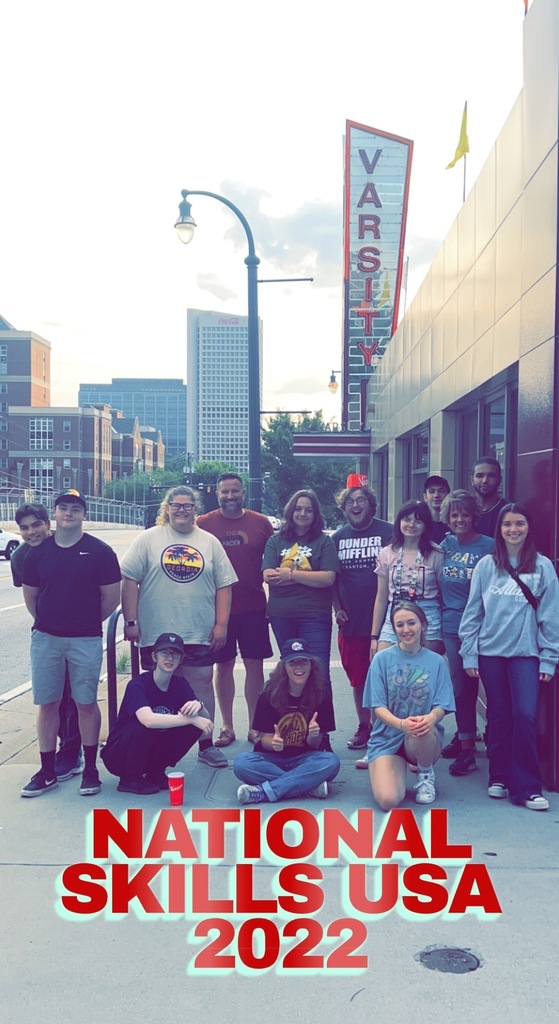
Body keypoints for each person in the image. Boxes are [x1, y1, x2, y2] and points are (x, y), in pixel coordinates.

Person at [120, 485, 237, 769]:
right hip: (157, 632)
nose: (182, 510)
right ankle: (152, 743)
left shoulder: (209, 542)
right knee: (158, 689)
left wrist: (221, 624)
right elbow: (129, 581)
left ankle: (205, 744)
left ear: (196, 509)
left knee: (201, 685)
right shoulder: (148, 539)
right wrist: (131, 621)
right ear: (167, 508)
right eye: (176, 505)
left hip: (198, 630)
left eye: (188, 506)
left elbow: (225, 586)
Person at [21, 489, 121, 798]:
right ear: (54, 513)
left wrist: (83, 622)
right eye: (63, 508)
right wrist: (53, 624)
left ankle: (90, 769)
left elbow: (110, 599)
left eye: (75, 509)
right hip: (47, 639)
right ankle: (47, 770)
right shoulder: (36, 552)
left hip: (85, 640)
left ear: (84, 515)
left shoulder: (101, 552)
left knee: (85, 703)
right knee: (47, 703)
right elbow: (31, 598)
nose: (68, 513)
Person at [459, 503, 559, 811]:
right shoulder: (487, 566)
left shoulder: (542, 567)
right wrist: (470, 655)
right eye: (507, 524)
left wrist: (548, 657)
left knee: (525, 716)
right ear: (499, 529)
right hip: (490, 654)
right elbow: (473, 612)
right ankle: (498, 777)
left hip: (526, 654)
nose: (513, 529)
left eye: (519, 524)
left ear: (528, 527)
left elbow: (550, 616)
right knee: (499, 717)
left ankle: (527, 787)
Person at [197, 472, 273, 747]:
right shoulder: (203, 524)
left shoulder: (261, 523)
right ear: (216, 494)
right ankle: (227, 726)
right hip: (218, 612)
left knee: (255, 666)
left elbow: (273, 562)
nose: (230, 496)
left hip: (253, 607)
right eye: (225, 492)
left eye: (235, 491)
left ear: (243, 493)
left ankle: (255, 726)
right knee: (223, 666)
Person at [13, 502, 83, 781]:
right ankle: (60, 752)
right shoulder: (21, 557)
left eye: (36, 525)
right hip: (47, 633)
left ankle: (71, 752)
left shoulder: (65, 546)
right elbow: (31, 598)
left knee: (75, 697)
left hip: (78, 632)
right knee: (52, 697)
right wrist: (47, 624)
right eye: (24, 528)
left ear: (48, 523)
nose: (31, 532)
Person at [262, 488, 339, 736]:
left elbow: (328, 578)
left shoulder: (323, 541)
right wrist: (306, 578)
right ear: (290, 511)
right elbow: (269, 576)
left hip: (314, 616)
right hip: (281, 615)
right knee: (290, 673)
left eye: (308, 509)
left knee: (319, 674)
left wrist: (291, 575)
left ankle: (321, 732)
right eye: (298, 508)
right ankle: (291, 732)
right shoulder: (276, 541)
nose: (303, 513)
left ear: (315, 513)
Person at [363, 602, 455, 809]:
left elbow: (442, 705)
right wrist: (401, 724)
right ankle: (393, 766)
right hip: (388, 735)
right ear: (394, 629)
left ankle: (425, 773)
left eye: (411, 623)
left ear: (423, 624)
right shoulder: (381, 660)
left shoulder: (437, 662)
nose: (406, 630)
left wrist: (430, 719)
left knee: (420, 724)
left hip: (422, 737)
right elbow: (377, 707)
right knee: (388, 800)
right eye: (400, 625)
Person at [100, 633, 213, 794]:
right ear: (154, 656)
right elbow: (148, 720)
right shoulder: (138, 684)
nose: (170, 658)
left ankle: (155, 771)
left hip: (150, 749)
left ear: (181, 660)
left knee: (194, 724)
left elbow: (205, 721)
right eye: (164, 653)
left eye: (175, 654)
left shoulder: (180, 684)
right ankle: (130, 779)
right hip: (119, 756)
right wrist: (189, 720)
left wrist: (199, 705)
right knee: (144, 726)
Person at [233, 638, 341, 804]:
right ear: (284, 666)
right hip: (271, 759)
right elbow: (264, 738)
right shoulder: (269, 694)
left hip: (306, 757)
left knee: (331, 762)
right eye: (293, 663)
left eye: (303, 662)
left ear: (311, 665)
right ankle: (308, 786)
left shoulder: (322, 694)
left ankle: (264, 792)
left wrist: (313, 734)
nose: (299, 667)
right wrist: (273, 743)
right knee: (242, 763)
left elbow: (315, 744)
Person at [332, 484, 392, 751]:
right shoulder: (337, 538)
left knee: (389, 678)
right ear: (344, 509)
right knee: (359, 679)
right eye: (350, 502)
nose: (355, 506)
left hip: (388, 622)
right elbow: (333, 577)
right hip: (352, 622)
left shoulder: (389, 532)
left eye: (361, 501)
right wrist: (337, 608)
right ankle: (364, 726)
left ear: (372, 505)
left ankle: (390, 728)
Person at [439, 490, 494, 773]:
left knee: (493, 688)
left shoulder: (489, 546)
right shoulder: (444, 546)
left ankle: (495, 742)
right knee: (461, 690)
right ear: (447, 518)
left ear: (474, 516)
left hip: (485, 628)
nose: (459, 519)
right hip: (451, 626)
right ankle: (466, 746)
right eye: (454, 515)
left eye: (465, 514)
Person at [369, 500, 444, 659]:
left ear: (425, 526)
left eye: (418, 521)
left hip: (427, 613)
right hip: (395, 611)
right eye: (407, 519)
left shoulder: (436, 554)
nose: (412, 525)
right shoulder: (387, 553)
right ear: (399, 522)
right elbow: (381, 598)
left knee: (424, 665)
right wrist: (374, 636)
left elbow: (444, 595)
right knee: (382, 659)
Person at [471, 456, 509, 538]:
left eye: (491, 475)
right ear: (472, 480)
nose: (485, 480)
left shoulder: (508, 512)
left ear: (500, 480)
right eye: (479, 476)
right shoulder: (463, 509)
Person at [422, 475, 450, 543]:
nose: (436, 495)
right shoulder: (420, 525)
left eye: (441, 491)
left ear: (448, 495)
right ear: (425, 497)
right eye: (432, 491)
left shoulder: (455, 524)